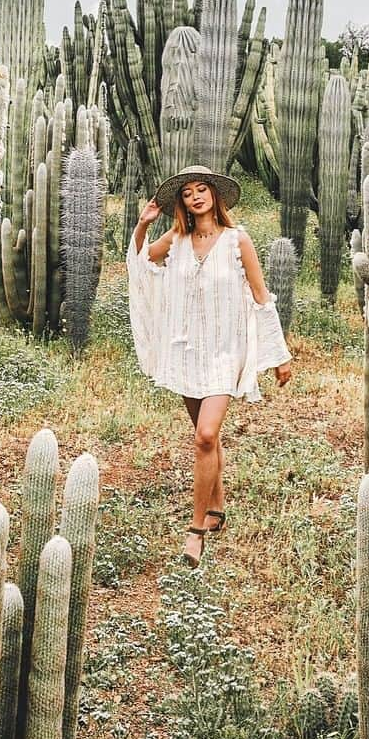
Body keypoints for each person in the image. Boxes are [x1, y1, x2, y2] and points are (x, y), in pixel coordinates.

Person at [127, 165, 293, 567]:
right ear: (181, 203)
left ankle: (196, 529)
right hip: (187, 351)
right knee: (206, 435)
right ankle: (216, 503)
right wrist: (141, 226)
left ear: (215, 196)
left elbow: (260, 294)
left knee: (205, 435)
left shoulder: (238, 241)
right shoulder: (178, 239)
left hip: (224, 351)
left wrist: (279, 354)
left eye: (202, 190)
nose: (196, 197)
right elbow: (141, 264)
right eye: (188, 193)